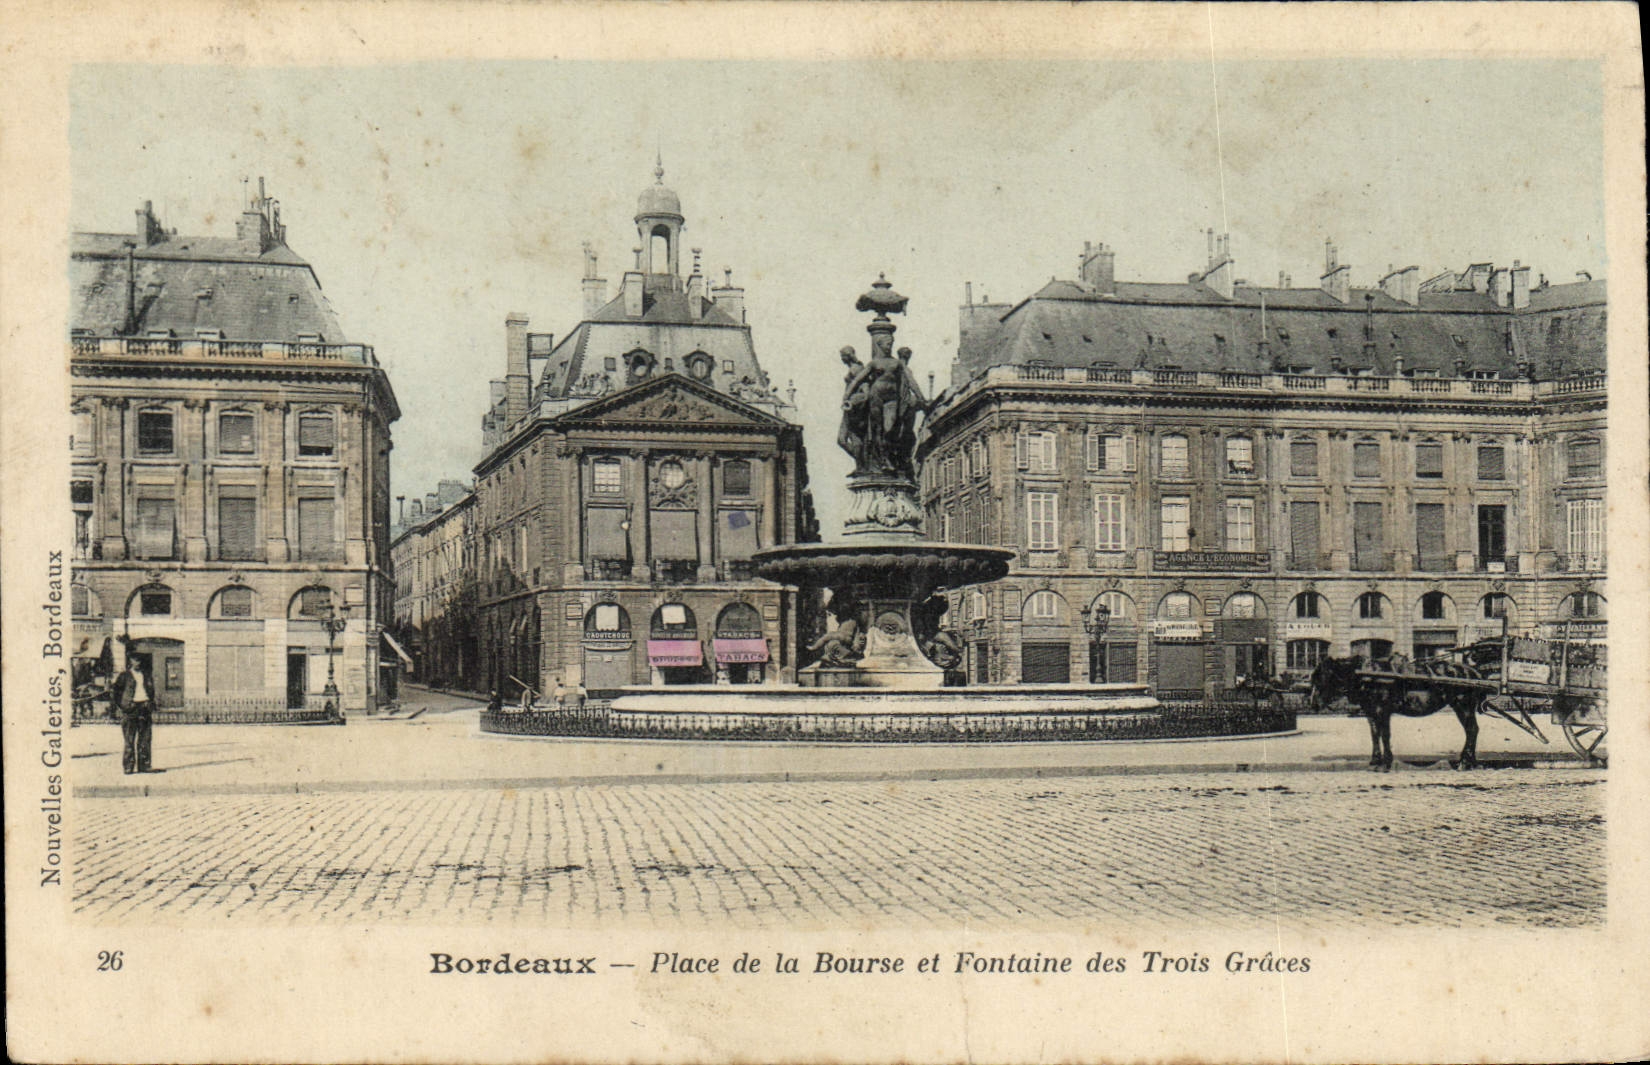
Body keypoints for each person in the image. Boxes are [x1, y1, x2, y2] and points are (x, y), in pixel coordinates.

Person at [110, 657, 154, 774]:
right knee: (129, 739)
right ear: (130, 661)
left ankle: (144, 765)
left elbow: (151, 691)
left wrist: (149, 703)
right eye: (135, 660)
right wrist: (124, 706)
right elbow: (115, 692)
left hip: (144, 708)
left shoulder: (146, 675)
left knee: (145, 738)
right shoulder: (124, 676)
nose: (138, 662)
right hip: (131, 709)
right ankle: (128, 766)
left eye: (139, 660)